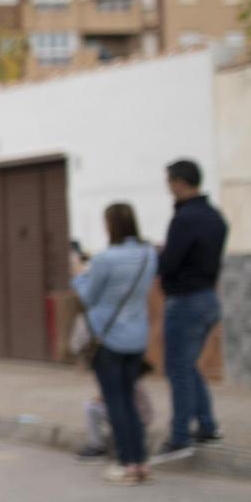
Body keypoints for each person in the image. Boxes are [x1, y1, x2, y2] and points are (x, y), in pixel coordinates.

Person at [72, 203, 157, 485]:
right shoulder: (148, 254)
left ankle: (126, 463)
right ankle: (141, 461)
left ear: (109, 226)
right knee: (129, 399)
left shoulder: (104, 259)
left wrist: (78, 273)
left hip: (107, 338)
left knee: (116, 401)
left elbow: (89, 297)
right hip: (137, 336)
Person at [154, 159, 227, 462]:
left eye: (169, 182)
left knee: (178, 368)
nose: (168, 188)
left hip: (185, 300)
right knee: (188, 365)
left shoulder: (184, 218)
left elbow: (169, 263)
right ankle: (207, 426)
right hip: (209, 298)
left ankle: (180, 436)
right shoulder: (215, 216)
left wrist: (158, 257)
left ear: (180, 182)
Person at [74, 359, 155, 461]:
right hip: (140, 420)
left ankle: (97, 446)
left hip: (134, 421)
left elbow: (99, 399)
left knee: (90, 407)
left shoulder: (125, 382)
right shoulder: (133, 382)